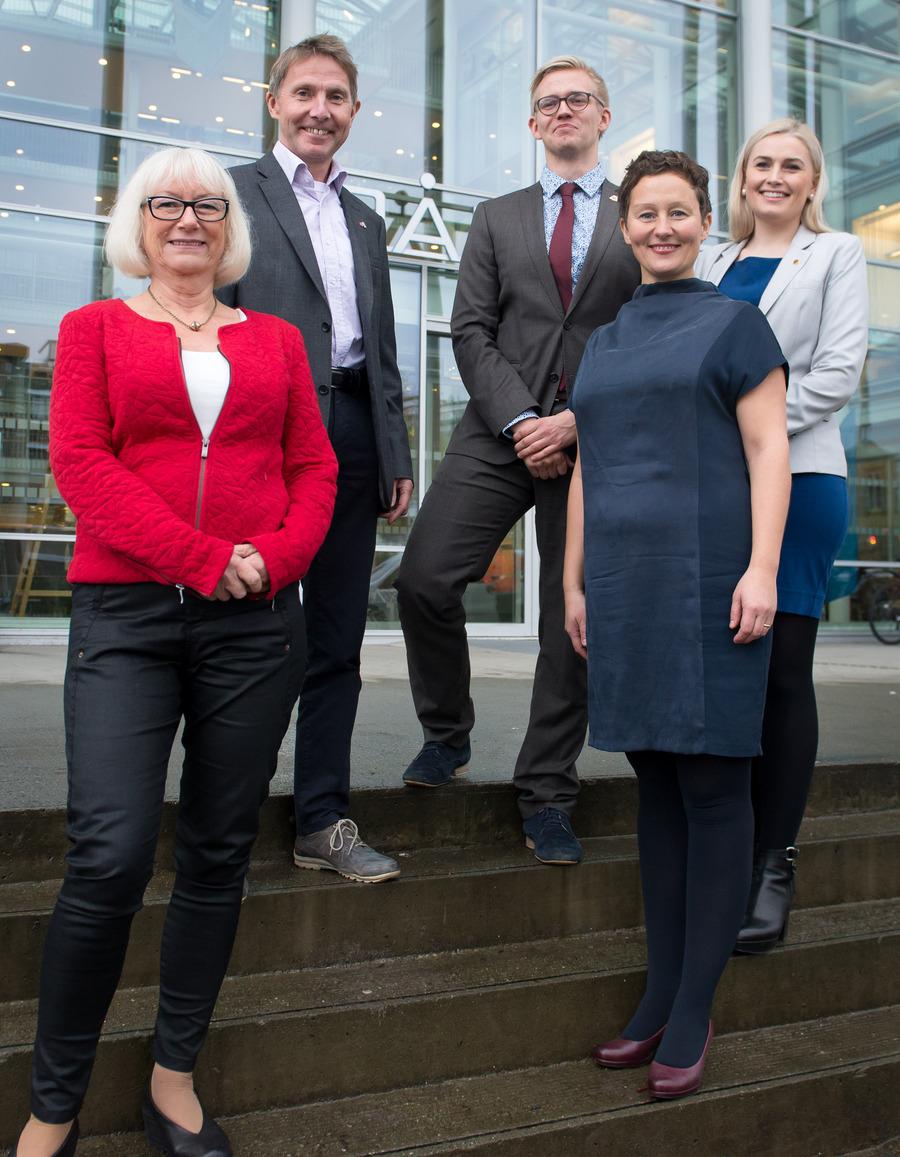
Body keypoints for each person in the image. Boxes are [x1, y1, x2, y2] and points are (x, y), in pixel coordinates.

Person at [12, 147, 337, 1157]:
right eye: (167, 202)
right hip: (129, 616)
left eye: (206, 203)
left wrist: (273, 559)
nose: (187, 218)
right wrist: (202, 557)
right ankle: (53, 1098)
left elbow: (314, 466)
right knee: (107, 853)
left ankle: (173, 1070)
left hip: (254, 625)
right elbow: (81, 462)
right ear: (138, 221)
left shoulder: (277, 339)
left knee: (216, 851)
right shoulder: (94, 329)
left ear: (227, 223)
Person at [564, 150, 790, 1098]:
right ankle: (658, 994)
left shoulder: (739, 323)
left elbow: (769, 446)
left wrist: (763, 569)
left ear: (707, 222)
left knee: (710, 788)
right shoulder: (604, 340)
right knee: (655, 788)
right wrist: (574, 583)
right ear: (625, 230)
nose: (661, 227)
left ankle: (694, 1007)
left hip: (712, 581)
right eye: (646, 214)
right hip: (624, 585)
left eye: (679, 212)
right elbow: (587, 466)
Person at [395, 56, 640, 866]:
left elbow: (642, 334)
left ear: (604, 116)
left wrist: (575, 419)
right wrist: (524, 418)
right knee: (427, 577)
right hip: (499, 429)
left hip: (595, 436)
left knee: (571, 622)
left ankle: (547, 793)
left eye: (579, 99)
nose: (563, 110)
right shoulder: (496, 216)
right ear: (534, 125)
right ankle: (447, 733)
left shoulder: (637, 213)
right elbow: (470, 328)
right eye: (548, 103)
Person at [219, 34, 413, 885]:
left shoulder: (367, 218)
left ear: (354, 112)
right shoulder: (227, 194)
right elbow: (205, 318)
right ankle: (225, 805)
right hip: (260, 434)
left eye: (335, 97)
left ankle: (322, 816)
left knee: (337, 636)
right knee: (248, 625)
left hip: (353, 439)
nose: (319, 110)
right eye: (304, 93)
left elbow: (383, 349)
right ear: (274, 102)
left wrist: (394, 449)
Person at [695, 120, 869, 954]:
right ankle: (727, 852)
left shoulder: (835, 255)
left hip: (799, 477)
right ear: (742, 178)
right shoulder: (709, 262)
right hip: (715, 489)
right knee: (729, 664)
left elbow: (836, 374)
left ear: (812, 181)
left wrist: (741, 433)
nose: (773, 175)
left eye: (790, 164)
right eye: (760, 163)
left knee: (783, 673)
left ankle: (775, 863)